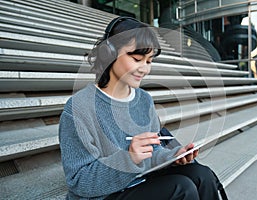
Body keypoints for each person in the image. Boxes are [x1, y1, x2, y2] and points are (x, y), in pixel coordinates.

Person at [59, 16, 220, 200]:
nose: (145, 69)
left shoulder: (144, 99)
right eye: (137, 58)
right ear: (109, 53)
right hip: (103, 195)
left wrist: (173, 156)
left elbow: (154, 152)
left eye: (149, 61)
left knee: (202, 175)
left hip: (140, 180)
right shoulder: (79, 108)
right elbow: (79, 181)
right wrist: (130, 158)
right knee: (181, 189)